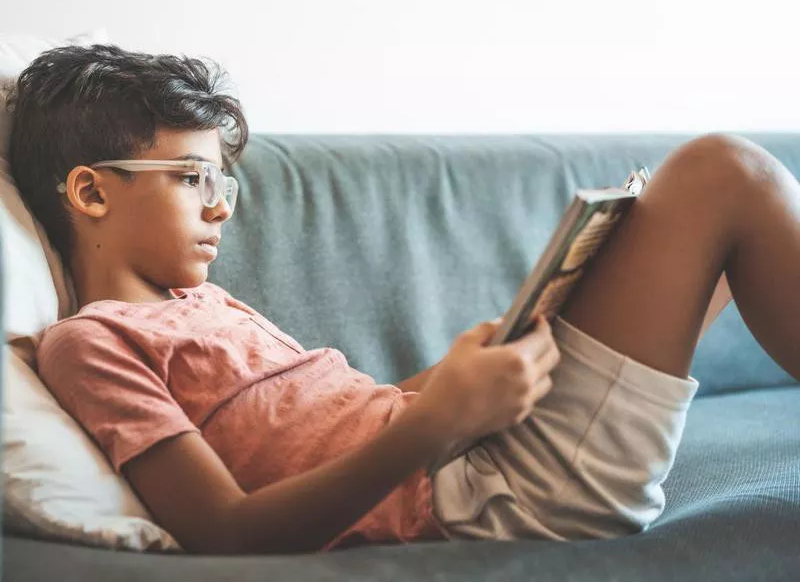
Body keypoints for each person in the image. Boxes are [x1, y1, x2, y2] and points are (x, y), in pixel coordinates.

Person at [7, 44, 799, 555]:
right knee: (725, 175)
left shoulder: (203, 303)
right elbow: (224, 531)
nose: (221, 206)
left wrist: (459, 375)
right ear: (89, 193)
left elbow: (358, 414)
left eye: (225, 183)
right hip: (486, 494)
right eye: (194, 179)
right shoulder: (92, 344)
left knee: (683, 227)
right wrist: (438, 420)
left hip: (472, 451)